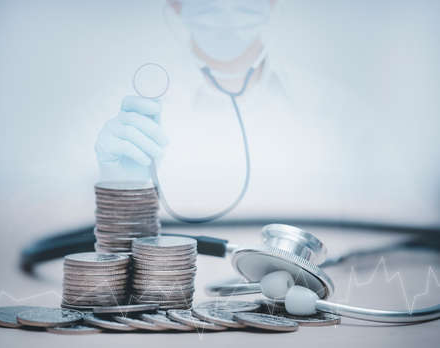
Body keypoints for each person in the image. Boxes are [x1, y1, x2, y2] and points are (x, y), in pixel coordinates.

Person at [94, 0, 439, 224]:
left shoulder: (336, 112)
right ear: (175, 5)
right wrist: (120, 186)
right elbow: (76, 240)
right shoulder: (128, 118)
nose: (227, 12)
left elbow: (410, 226)